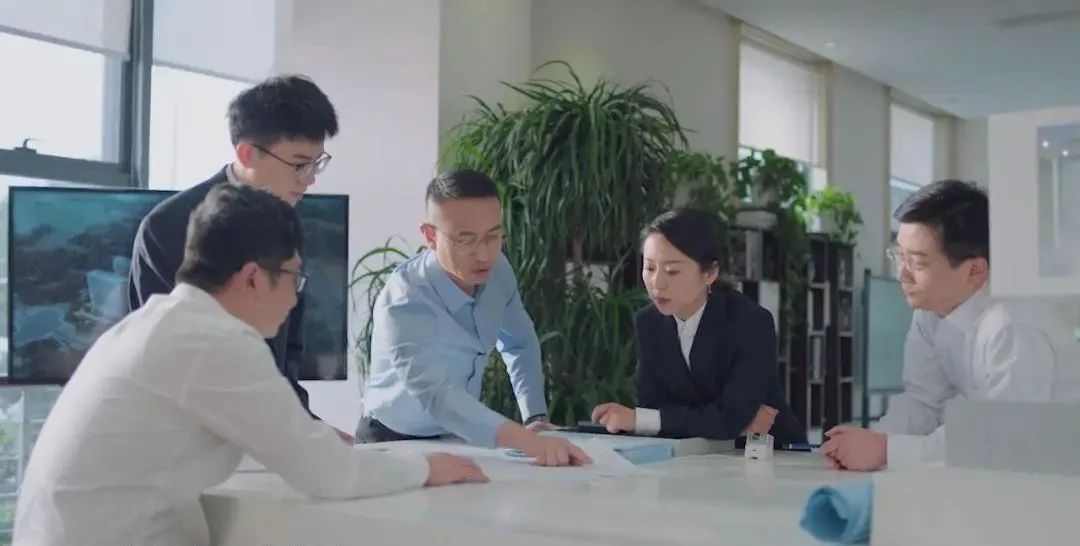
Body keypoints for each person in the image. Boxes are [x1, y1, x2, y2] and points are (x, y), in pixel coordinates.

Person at [14, 184, 487, 546]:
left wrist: (310, 436)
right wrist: (424, 468)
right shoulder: (215, 341)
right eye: (295, 277)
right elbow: (328, 474)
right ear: (254, 278)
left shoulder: (158, 322)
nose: (295, 299)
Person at [128, 75, 352, 440]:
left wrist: (308, 428)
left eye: (317, 164)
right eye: (299, 165)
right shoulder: (168, 225)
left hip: (266, 433)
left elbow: (287, 356)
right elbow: (159, 353)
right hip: (184, 436)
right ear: (248, 153)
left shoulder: (291, 220)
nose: (310, 180)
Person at [822, 179, 1080, 471]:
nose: (902, 275)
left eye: (917, 263)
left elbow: (1001, 436)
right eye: (899, 256)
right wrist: (873, 440)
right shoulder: (931, 311)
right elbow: (923, 400)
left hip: (1059, 474)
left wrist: (886, 451)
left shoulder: (1013, 326)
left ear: (975, 270)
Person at [358, 169, 591, 467]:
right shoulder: (405, 299)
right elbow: (436, 395)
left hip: (457, 437)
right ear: (430, 236)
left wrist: (535, 417)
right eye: (465, 240)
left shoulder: (498, 271)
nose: (484, 255)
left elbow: (519, 343)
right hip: (391, 440)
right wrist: (528, 442)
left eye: (493, 237)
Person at [591, 208, 807, 444]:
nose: (657, 283)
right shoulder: (648, 322)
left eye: (673, 271)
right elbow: (654, 408)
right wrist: (722, 423)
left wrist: (644, 419)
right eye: (650, 268)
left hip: (768, 452)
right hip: (691, 453)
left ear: (710, 273)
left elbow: (729, 417)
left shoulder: (750, 322)